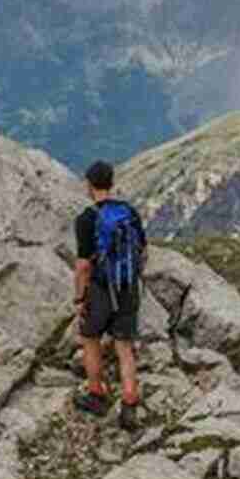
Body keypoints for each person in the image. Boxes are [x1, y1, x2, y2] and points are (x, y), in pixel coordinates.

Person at [72, 160, 146, 432]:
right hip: (127, 286)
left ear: (89, 185)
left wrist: (80, 299)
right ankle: (129, 403)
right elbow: (143, 251)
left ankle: (97, 395)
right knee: (124, 346)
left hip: (101, 289)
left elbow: (82, 266)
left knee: (90, 338)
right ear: (111, 183)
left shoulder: (86, 219)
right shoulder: (129, 212)